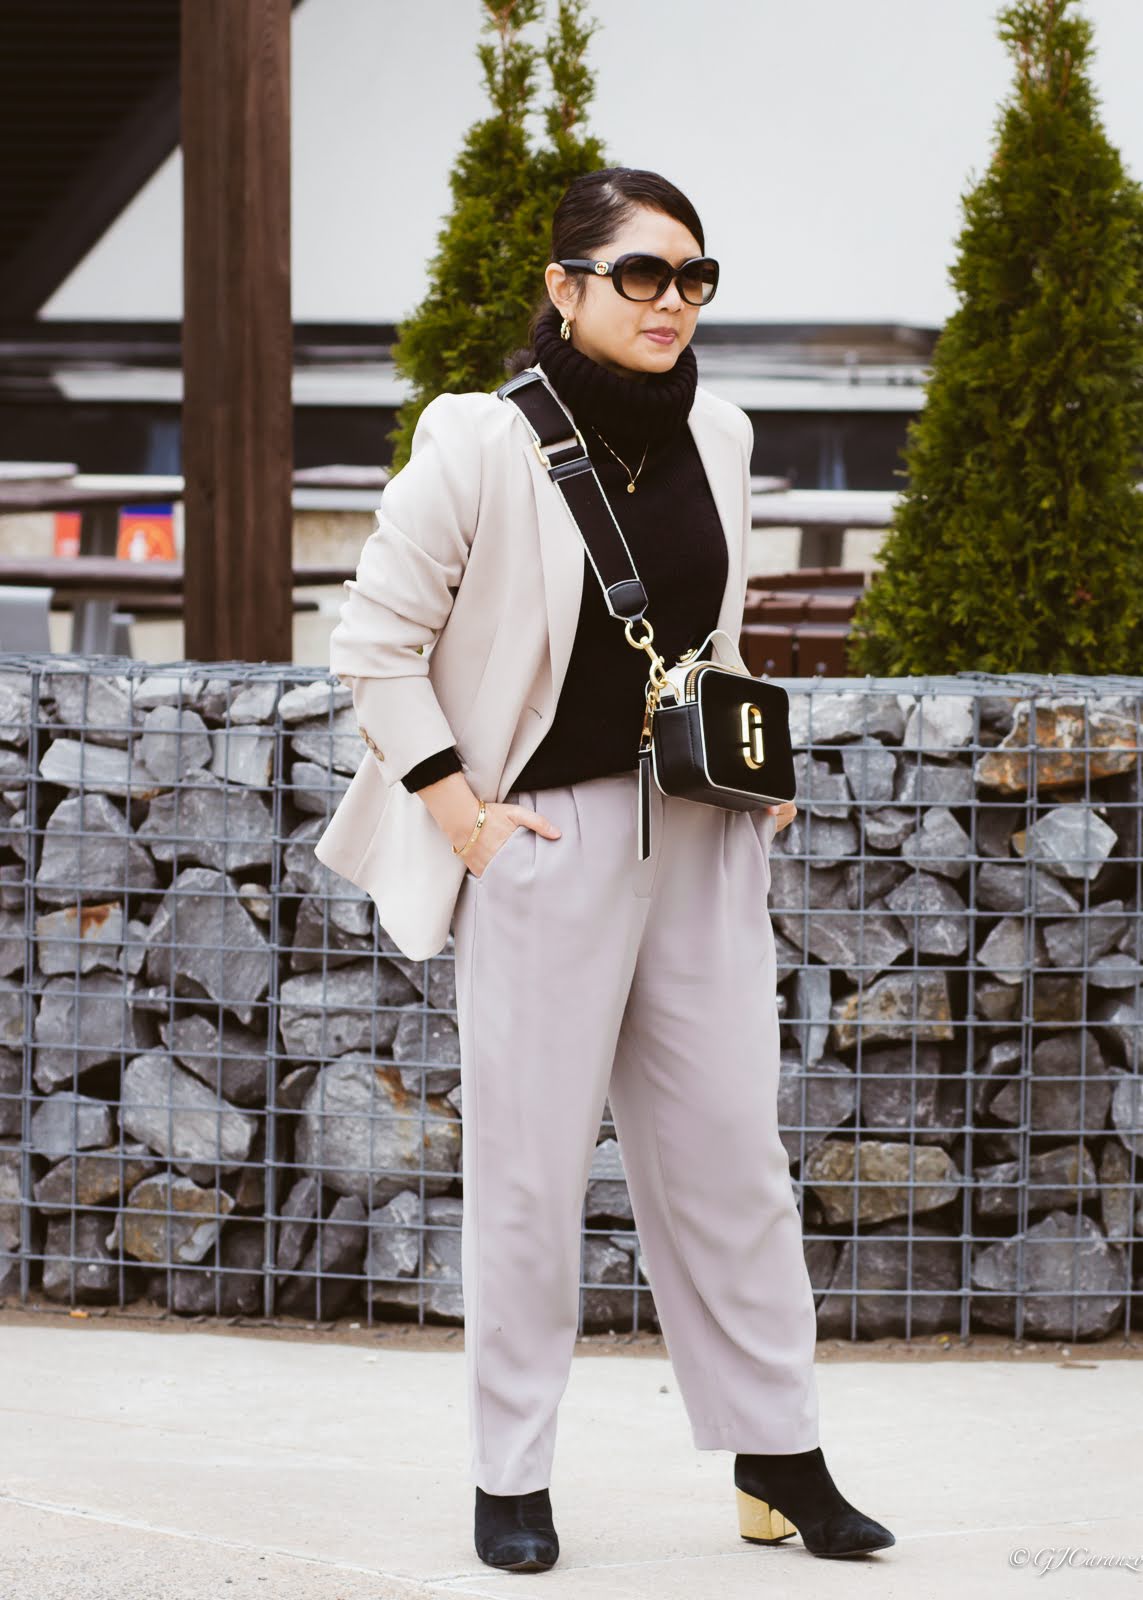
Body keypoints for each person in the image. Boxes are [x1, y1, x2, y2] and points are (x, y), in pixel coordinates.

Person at [317, 167, 895, 1571]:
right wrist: (460, 811)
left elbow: (719, 633)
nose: (674, 302)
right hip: (544, 836)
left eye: (695, 276)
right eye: (643, 274)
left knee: (730, 1162)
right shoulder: (477, 441)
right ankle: (510, 1477)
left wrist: (754, 770)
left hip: (696, 838)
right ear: (567, 287)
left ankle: (782, 1463)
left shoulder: (727, 430)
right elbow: (372, 645)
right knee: (527, 1173)